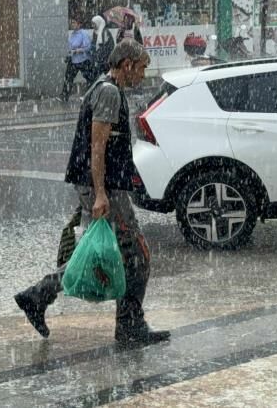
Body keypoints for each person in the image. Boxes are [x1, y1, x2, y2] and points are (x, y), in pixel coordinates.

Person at [15, 39, 170, 350]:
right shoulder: (109, 92)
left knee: (97, 253)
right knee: (136, 255)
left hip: (102, 186)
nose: (142, 75)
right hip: (103, 188)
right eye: (141, 69)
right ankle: (129, 325)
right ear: (127, 65)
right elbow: (97, 145)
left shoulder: (105, 88)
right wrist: (100, 194)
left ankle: (38, 296)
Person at [61, 17, 97, 102]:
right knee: (68, 78)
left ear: (79, 24)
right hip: (73, 60)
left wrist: (79, 50)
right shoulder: (72, 34)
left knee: (90, 78)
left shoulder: (83, 33)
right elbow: (70, 46)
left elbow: (88, 47)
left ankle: (91, 95)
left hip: (83, 60)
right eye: (71, 22)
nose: (72, 24)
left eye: (74, 22)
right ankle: (64, 96)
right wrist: (70, 53)